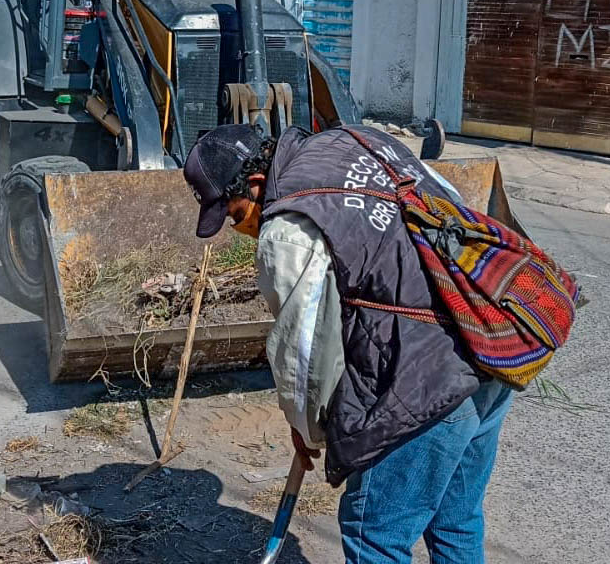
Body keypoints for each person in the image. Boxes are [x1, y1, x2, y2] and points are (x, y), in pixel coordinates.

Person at [184, 123, 512, 564]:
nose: (235, 224)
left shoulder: (286, 227)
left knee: (374, 532)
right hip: (493, 338)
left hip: (431, 381)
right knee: (453, 519)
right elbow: (446, 203)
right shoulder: (355, 140)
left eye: (232, 212)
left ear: (257, 184)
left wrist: (307, 431)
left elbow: (303, 355)